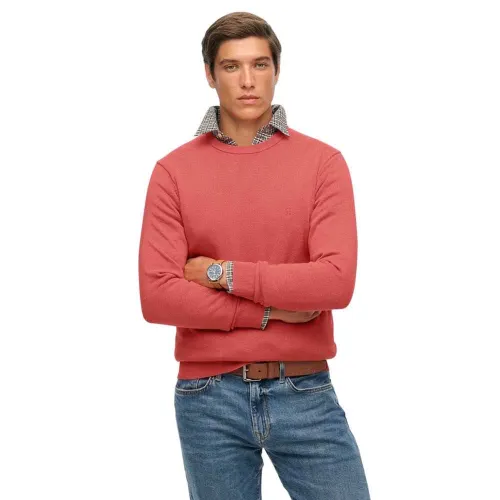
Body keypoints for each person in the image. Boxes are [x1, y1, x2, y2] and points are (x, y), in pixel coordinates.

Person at [138, 11, 371, 500]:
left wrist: (221, 273)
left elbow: (334, 282)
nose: (247, 80)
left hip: (304, 389)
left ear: (277, 70)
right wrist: (270, 311)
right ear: (209, 74)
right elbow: (158, 297)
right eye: (231, 66)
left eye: (260, 64)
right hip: (207, 397)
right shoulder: (173, 172)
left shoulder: (323, 164)